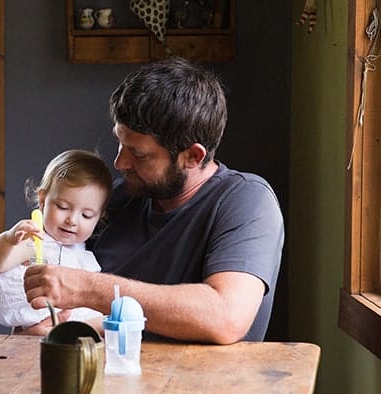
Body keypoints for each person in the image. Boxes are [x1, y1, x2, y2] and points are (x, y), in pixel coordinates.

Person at [23, 58, 284, 344]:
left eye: (139, 154)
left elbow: (226, 317)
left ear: (192, 157)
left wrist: (86, 289)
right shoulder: (121, 199)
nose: (119, 162)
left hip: (200, 386)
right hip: (107, 381)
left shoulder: (246, 201)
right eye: (120, 143)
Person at [0, 149, 112, 335]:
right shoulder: (36, 241)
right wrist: (9, 239)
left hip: (82, 330)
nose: (72, 220)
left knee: (114, 320)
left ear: (99, 217)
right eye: (63, 207)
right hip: (42, 329)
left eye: (86, 215)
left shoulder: (81, 251)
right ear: (42, 200)